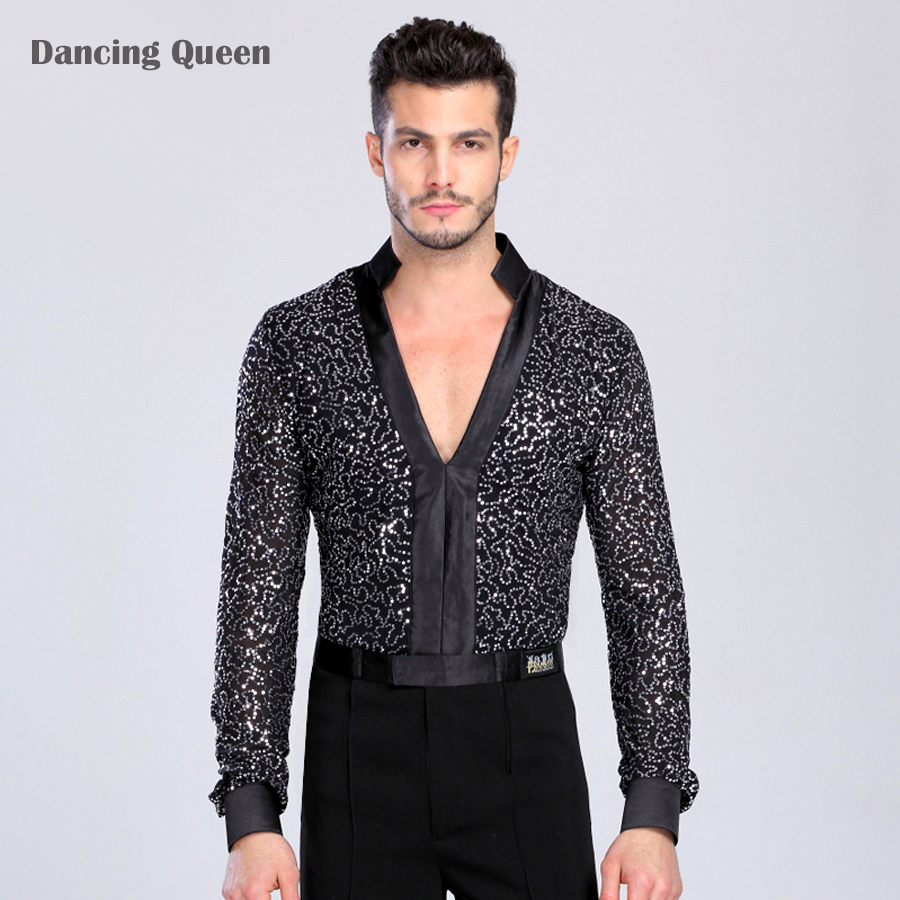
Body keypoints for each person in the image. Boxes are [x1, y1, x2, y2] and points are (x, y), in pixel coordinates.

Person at [210, 17, 699, 900]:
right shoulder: (295, 344)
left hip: (525, 742)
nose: (441, 175)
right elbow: (258, 587)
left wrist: (653, 806)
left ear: (506, 154)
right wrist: (251, 812)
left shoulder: (593, 350)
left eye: (468, 143)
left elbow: (645, 589)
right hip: (357, 749)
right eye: (415, 143)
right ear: (377, 152)